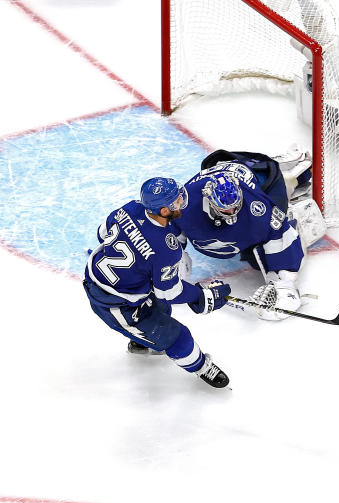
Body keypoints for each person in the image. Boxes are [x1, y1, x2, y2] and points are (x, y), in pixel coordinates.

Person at [82, 177, 232, 388]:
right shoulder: (165, 250)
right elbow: (169, 292)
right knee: (178, 337)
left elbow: (102, 234)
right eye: (176, 200)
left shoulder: (130, 208)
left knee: (161, 309)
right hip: (116, 304)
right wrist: (200, 296)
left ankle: (142, 341)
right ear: (163, 210)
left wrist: (137, 254)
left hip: (114, 281)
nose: (181, 200)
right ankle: (201, 367)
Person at [172, 148, 324, 322]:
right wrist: (167, 267)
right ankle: (281, 169)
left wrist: (285, 283)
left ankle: (290, 174)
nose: (232, 212)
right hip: (226, 169)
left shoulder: (257, 206)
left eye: (235, 206)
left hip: (260, 181)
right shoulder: (184, 202)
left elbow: (280, 234)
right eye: (225, 209)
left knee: (258, 256)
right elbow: (169, 235)